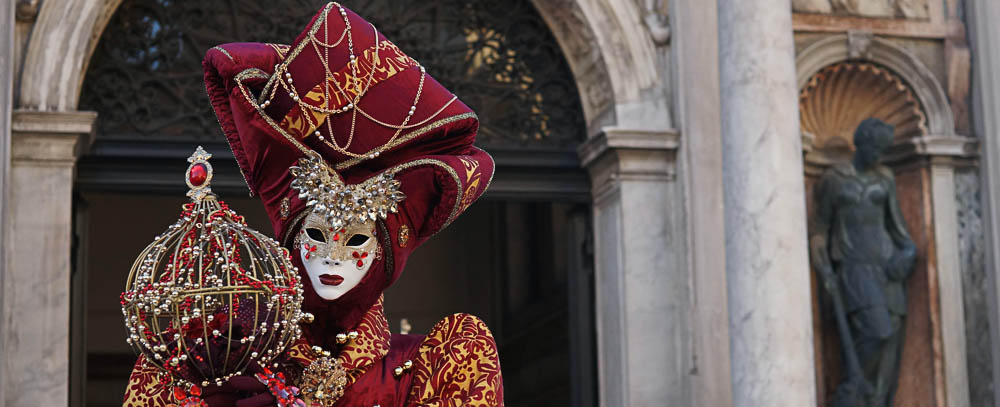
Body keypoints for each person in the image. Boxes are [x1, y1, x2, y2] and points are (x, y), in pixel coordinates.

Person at [123, 2, 502, 406]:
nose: (333, 257)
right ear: (290, 239)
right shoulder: (220, 356)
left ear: (386, 254)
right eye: (318, 234)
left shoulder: (435, 364)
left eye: (356, 239)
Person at [810, 118, 917, 406]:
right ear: (862, 144)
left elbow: (898, 228)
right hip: (854, 268)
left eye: (884, 150)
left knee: (889, 349)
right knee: (877, 332)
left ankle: (870, 399)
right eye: (876, 149)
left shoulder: (885, 178)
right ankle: (850, 392)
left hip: (887, 270)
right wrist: (823, 268)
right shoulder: (834, 179)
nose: (880, 156)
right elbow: (820, 228)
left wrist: (907, 254)